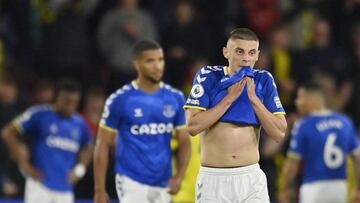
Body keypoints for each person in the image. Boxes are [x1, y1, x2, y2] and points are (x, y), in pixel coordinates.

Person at [184, 28, 287, 202]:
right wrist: (229, 98)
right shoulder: (208, 76)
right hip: (214, 180)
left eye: (251, 53)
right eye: (239, 51)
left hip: (251, 178)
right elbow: (192, 126)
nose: (246, 58)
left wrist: (254, 99)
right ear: (226, 52)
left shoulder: (264, 80)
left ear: (257, 55)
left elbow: (279, 133)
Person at [94, 40, 191, 203]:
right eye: (150, 61)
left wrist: (179, 176)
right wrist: (99, 189)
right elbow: (102, 145)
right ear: (137, 64)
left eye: (160, 60)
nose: (158, 66)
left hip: (163, 182)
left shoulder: (175, 98)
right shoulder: (120, 100)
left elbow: (184, 142)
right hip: (131, 181)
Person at [1, 78, 93, 203]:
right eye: (66, 101)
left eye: (74, 103)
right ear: (57, 98)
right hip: (39, 186)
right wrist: (23, 163)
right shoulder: (39, 114)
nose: (70, 106)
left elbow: (90, 146)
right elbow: (8, 133)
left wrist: (79, 170)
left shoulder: (80, 123)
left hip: (65, 189)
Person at [278, 83, 360, 203]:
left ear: (312, 98)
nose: (297, 102)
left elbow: (292, 164)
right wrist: (358, 188)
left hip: (313, 187)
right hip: (340, 187)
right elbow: (358, 158)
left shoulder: (303, 125)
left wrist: (285, 188)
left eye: (300, 97)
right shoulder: (345, 122)